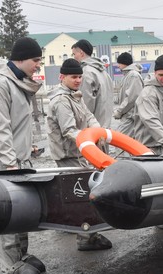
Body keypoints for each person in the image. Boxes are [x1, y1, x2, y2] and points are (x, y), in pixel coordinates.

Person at [0, 37, 47, 274]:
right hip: (2, 161)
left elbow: (18, 124)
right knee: (6, 212)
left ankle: (21, 256)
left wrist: (28, 148)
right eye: (36, 60)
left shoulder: (17, 83)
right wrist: (10, 164)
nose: (38, 65)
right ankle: (9, 267)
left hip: (17, 157)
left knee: (22, 211)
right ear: (22, 58)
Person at [46, 58, 113, 251]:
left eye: (80, 77)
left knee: (83, 193)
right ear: (62, 77)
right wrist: (88, 142)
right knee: (80, 196)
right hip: (69, 155)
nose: (78, 80)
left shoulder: (75, 95)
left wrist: (98, 131)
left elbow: (89, 116)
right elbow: (68, 130)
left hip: (78, 152)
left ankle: (86, 233)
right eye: (73, 77)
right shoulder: (61, 100)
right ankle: (85, 238)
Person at [131, 55, 163, 155]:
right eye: (161, 75)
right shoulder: (148, 94)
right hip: (149, 148)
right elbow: (151, 121)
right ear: (155, 73)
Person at [71, 39, 114, 128]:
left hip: (93, 128)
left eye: (74, 54)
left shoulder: (86, 72)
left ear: (81, 53)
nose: (74, 57)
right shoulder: (103, 72)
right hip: (105, 124)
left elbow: (86, 102)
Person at [112, 52, 143, 136]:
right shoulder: (128, 75)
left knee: (119, 142)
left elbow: (131, 98)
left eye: (119, 63)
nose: (118, 66)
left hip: (131, 117)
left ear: (124, 63)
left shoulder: (133, 75)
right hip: (128, 116)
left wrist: (119, 111)